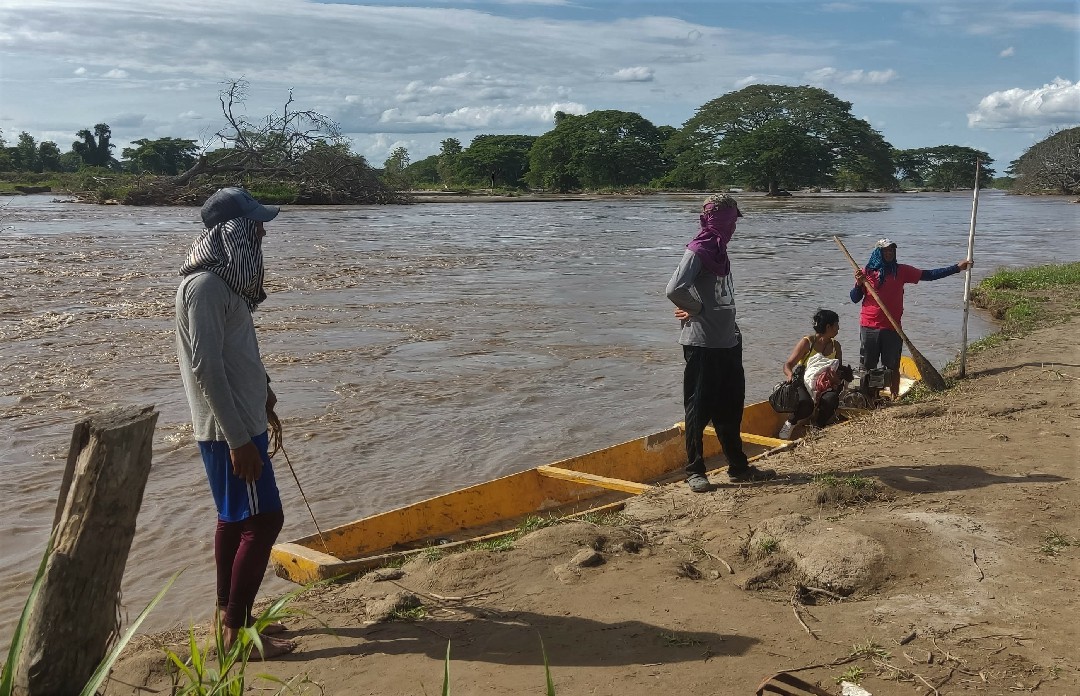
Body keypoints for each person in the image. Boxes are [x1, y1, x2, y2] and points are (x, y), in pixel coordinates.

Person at [175, 187, 295, 658]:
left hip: (243, 422)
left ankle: (227, 617)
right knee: (265, 520)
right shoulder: (204, 286)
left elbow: (234, 352)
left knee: (236, 518)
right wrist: (239, 439)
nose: (262, 231)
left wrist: (263, 389)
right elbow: (206, 368)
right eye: (255, 224)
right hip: (230, 431)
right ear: (232, 232)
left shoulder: (227, 284)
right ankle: (237, 631)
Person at [666, 194, 776, 492]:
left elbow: (718, 297)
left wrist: (727, 324)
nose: (733, 228)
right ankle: (695, 470)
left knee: (730, 407)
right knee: (698, 408)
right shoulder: (699, 250)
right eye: (730, 221)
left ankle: (738, 467)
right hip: (703, 345)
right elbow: (674, 289)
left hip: (728, 341)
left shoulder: (719, 252)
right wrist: (696, 309)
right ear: (718, 221)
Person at [850, 238, 972, 398]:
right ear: (878, 253)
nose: (889, 254)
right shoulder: (866, 273)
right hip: (869, 327)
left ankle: (894, 395)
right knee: (868, 366)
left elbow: (928, 275)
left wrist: (956, 268)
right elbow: (854, 298)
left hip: (892, 328)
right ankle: (871, 397)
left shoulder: (901, 271)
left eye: (892, 251)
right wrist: (859, 284)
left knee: (892, 366)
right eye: (885, 251)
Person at [777, 309, 844, 440]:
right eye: (836, 325)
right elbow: (788, 365)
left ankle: (818, 425)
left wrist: (835, 378)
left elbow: (839, 370)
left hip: (825, 385)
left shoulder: (836, 346)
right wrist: (790, 376)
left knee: (831, 399)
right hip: (804, 382)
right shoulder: (807, 342)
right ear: (828, 327)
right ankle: (790, 422)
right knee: (805, 404)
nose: (838, 328)